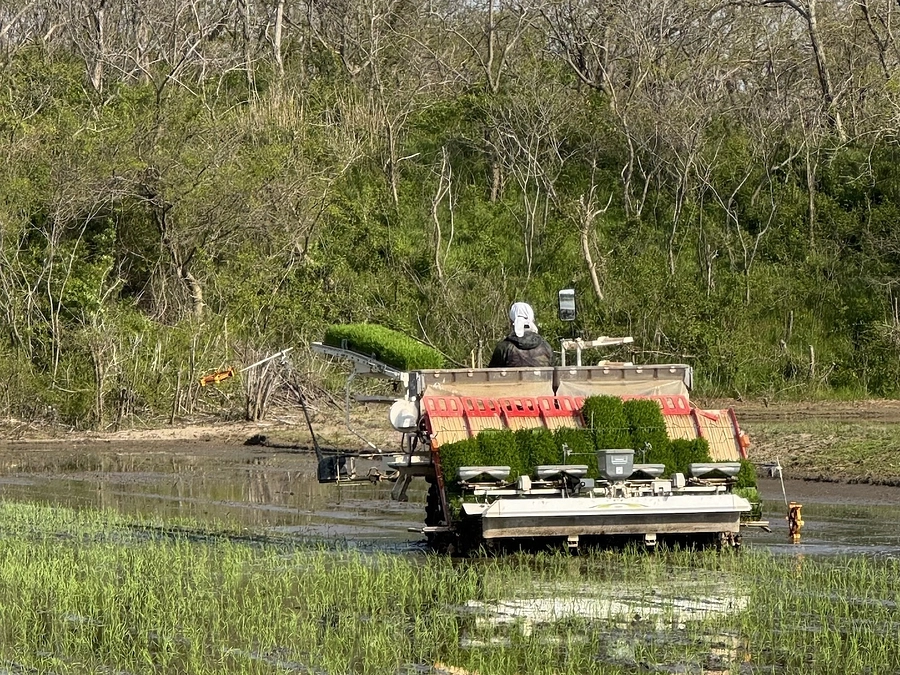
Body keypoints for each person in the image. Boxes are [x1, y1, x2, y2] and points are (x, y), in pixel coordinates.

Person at [488, 302, 555, 368]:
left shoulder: (504, 348)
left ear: (511, 321)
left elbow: (492, 374)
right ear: (532, 319)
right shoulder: (546, 346)